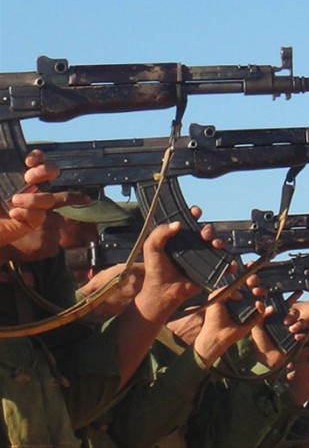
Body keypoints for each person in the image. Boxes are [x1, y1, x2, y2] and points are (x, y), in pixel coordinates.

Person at [0, 150, 232, 446]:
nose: (91, 239)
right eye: (76, 221)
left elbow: (68, 408)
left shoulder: (28, 293)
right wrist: (91, 303)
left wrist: (160, 298)